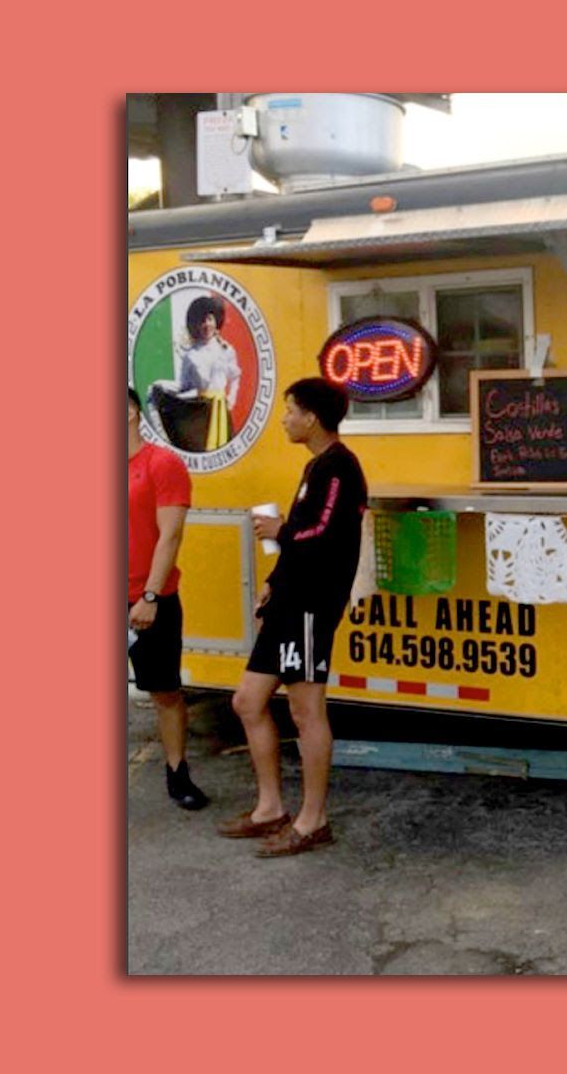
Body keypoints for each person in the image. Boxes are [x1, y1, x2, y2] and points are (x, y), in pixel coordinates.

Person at [217, 379, 368, 857]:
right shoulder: (314, 467)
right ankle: (270, 808)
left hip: (312, 606)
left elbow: (323, 531)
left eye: (290, 411)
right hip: (290, 598)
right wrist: (274, 581)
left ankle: (313, 819)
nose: (284, 419)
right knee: (247, 701)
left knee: (306, 711)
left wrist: (280, 530)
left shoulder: (340, 466)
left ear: (313, 418)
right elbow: (304, 537)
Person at [128, 387, 209, 810]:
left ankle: (178, 773)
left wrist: (150, 595)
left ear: (130, 413)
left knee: (164, 692)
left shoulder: (162, 464)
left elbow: (170, 535)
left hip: (147, 599)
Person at [175, 295, 242, 450]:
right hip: (199, 411)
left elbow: (235, 376)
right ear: (196, 325)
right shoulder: (190, 355)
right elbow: (184, 386)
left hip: (221, 410)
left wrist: (231, 399)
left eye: (210, 319)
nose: (206, 325)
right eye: (202, 321)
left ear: (216, 321)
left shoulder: (226, 350)